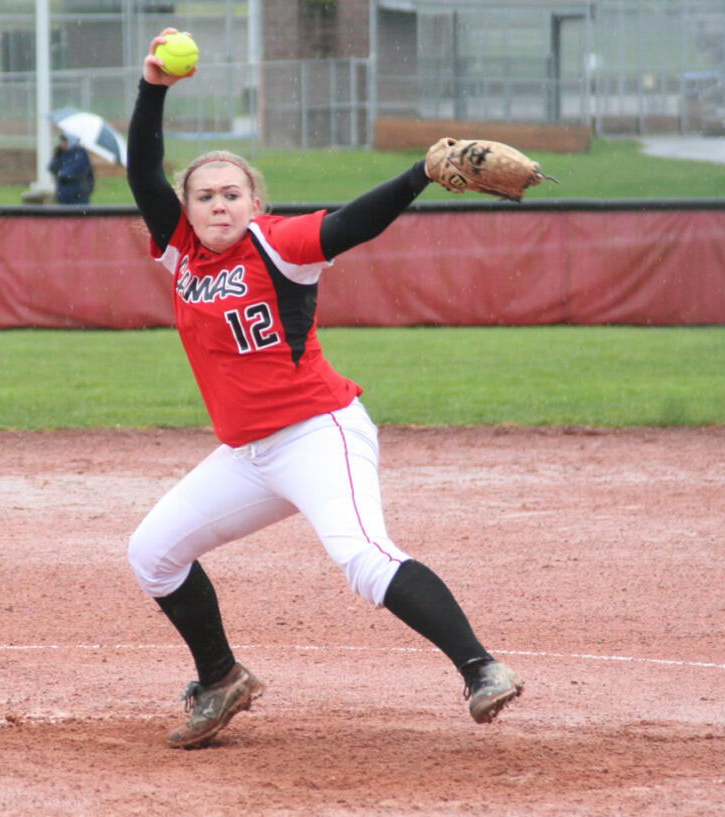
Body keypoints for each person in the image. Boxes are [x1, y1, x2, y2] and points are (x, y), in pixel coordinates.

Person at [125, 28, 524, 750]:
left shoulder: (280, 244)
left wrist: (417, 176)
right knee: (152, 552)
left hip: (319, 432)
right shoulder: (179, 252)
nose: (218, 204)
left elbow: (350, 224)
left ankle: (481, 667)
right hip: (248, 453)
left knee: (364, 557)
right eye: (205, 196)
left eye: (232, 194)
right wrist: (153, 87)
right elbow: (143, 172)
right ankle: (220, 679)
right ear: (187, 209)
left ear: (254, 201)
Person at [48, 132, 95, 205]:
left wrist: (61, 174)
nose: (62, 144)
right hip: (64, 197)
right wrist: (56, 155)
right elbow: (52, 168)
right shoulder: (61, 154)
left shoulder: (80, 154)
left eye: (65, 141)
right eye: (62, 141)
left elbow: (68, 173)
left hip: (79, 197)